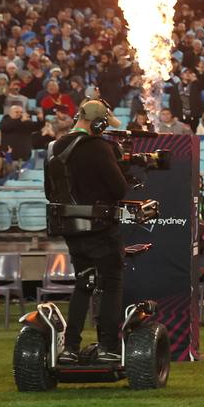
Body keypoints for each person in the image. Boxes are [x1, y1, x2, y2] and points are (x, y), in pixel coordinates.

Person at [43, 100, 128, 363]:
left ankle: (70, 348)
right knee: (111, 282)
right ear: (99, 123)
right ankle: (108, 348)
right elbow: (119, 190)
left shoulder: (53, 147)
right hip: (100, 228)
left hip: (70, 230)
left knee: (84, 283)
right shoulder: (100, 147)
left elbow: (50, 193)